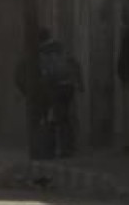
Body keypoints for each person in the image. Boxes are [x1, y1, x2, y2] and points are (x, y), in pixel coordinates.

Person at [16, 29, 84, 159]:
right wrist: (80, 84)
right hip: (68, 86)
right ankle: (68, 147)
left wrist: (31, 90)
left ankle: (59, 149)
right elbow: (75, 64)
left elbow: (33, 71)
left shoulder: (39, 52)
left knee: (54, 118)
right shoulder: (62, 48)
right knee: (65, 117)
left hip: (53, 86)